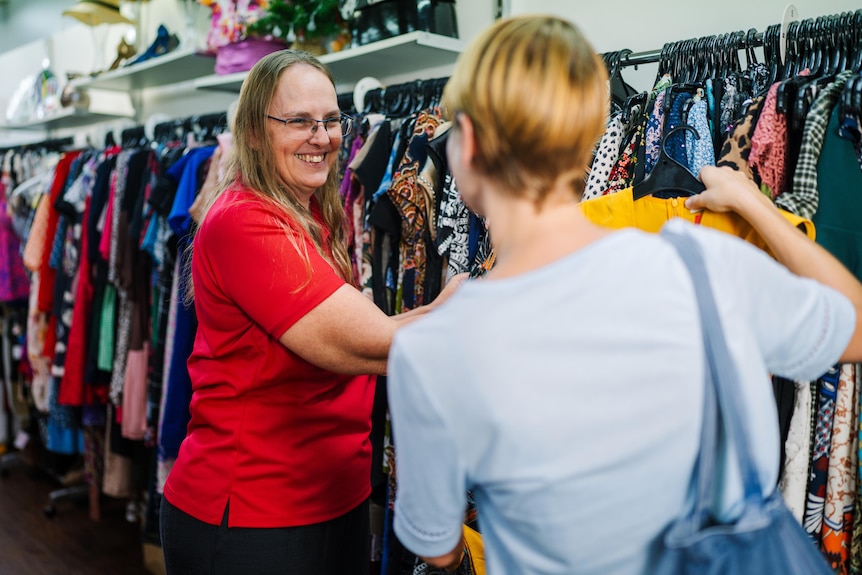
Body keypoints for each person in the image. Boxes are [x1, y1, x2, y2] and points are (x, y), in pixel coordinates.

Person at [386, 14, 862, 575]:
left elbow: (438, 546)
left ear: (466, 146)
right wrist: (755, 204)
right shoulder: (704, 265)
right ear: (587, 142)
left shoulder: (433, 350)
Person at [159, 50, 463, 575]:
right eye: (299, 121)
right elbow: (374, 342)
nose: (321, 136)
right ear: (254, 132)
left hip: (327, 499)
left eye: (330, 120)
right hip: (252, 516)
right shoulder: (245, 223)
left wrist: (448, 304)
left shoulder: (309, 213)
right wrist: (472, 298)